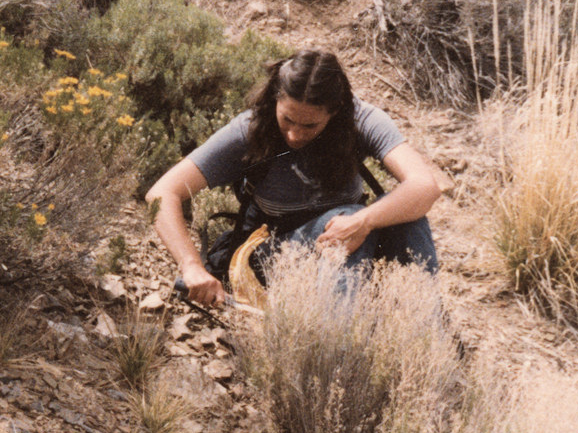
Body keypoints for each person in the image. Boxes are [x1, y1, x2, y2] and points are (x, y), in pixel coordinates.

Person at [146, 49, 441, 307]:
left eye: (310, 125)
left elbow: (424, 186)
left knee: (404, 218)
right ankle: (334, 347)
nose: (294, 135)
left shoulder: (361, 120)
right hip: (270, 256)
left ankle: (429, 332)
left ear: (335, 112)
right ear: (276, 98)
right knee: (345, 221)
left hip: (341, 247)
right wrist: (191, 266)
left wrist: (365, 221)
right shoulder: (249, 130)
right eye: (287, 119)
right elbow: (162, 193)